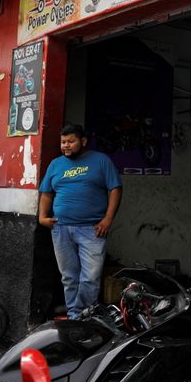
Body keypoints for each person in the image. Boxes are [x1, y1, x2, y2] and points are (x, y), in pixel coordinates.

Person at [38, 123, 123, 319]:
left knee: (90, 277)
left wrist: (108, 219)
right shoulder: (55, 164)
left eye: (71, 141)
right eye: (63, 142)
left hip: (92, 229)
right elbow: (46, 193)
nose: (66, 145)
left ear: (83, 141)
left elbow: (115, 189)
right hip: (60, 228)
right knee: (69, 277)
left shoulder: (101, 161)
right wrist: (42, 217)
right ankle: (75, 315)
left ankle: (85, 314)